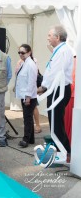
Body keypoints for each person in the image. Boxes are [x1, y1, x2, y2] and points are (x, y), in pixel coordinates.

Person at [37, 25, 73, 162]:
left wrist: (43, 87)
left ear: (57, 37)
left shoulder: (63, 51)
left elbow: (56, 72)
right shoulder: (59, 50)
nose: (47, 38)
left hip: (58, 90)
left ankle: (66, 153)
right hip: (56, 89)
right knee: (55, 123)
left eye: (49, 35)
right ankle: (62, 151)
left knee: (56, 124)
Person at [15, 44, 38, 148]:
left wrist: (28, 97)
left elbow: (32, 82)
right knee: (28, 117)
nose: (21, 54)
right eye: (19, 52)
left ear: (29, 52)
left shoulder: (31, 64)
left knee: (27, 118)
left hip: (29, 96)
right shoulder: (25, 63)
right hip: (25, 95)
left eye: (23, 52)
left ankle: (26, 139)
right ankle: (31, 138)